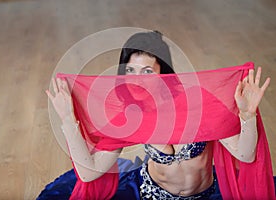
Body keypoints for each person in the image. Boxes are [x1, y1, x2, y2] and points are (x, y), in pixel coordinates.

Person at [42, 31, 272, 199]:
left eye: (147, 71)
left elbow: (246, 155)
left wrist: (247, 114)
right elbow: (88, 172)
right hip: (152, 195)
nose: (136, 80)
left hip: (204, 195)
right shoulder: (130, 116)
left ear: (164, 72)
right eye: (130, 71)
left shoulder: (197, 103)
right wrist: (68, 120)